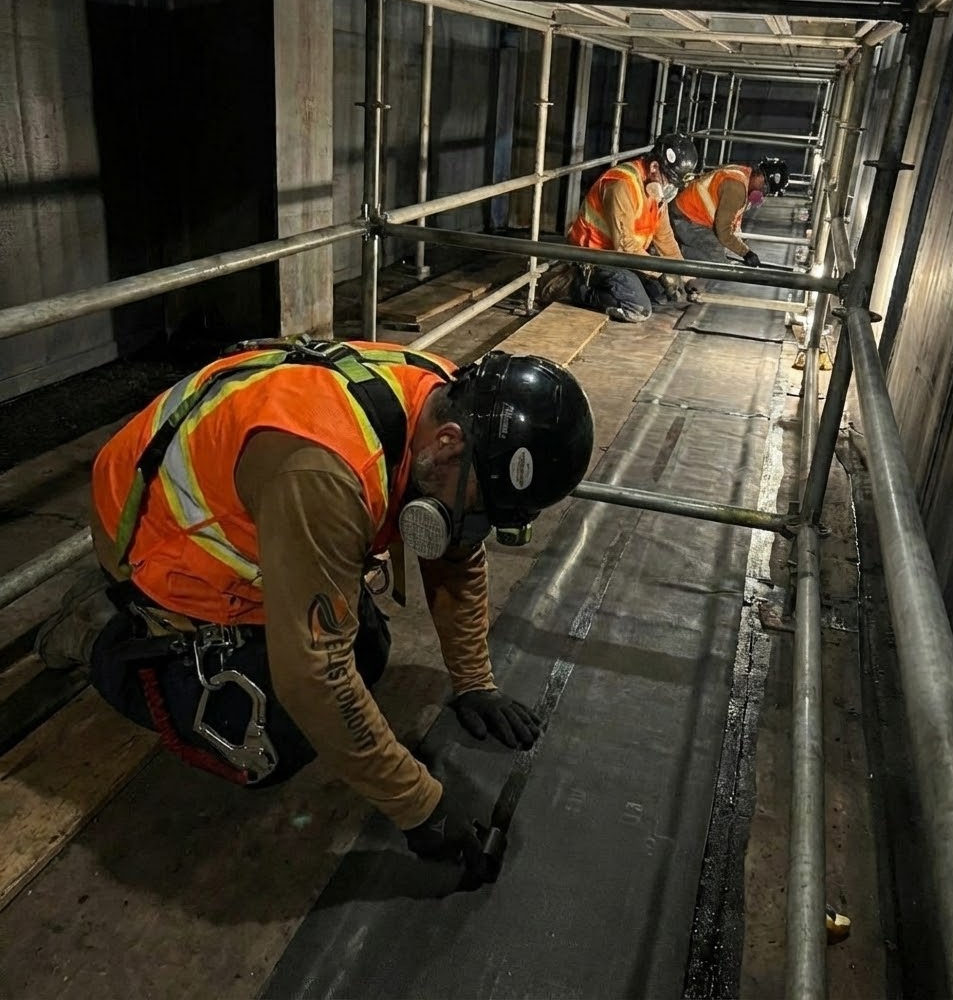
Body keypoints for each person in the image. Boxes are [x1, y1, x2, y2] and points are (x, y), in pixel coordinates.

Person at [37, 338, 595, 875]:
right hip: (156, 539)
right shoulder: (324, 470)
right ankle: (98, 631)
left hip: (251, 509)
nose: (469, 526)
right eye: (478, 506)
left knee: (368, 651)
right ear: (447, 444)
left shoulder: (446, 398)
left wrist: (474, 681)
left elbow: (456, 554)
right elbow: (316, 678)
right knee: (266, 739)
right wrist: (421, 807)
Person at [541, 132, 699, 323]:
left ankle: (612, 286)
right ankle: (574, 286)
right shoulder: (622, 184)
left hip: (621, 257)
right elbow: (624, 246)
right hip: (595, 256)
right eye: (670, 181)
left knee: (661, 295)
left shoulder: (656, 191)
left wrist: (686, 276)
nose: (671, 188)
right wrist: (661, 273)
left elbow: (665, 238)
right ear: (654, 167)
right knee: (638, 309)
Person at [667, 156, 790, 299]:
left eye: (766, 191)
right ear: (759, 174)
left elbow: (732, 221)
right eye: (764, 187)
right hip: (684, 218)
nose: (762, 192)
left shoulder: (744, 174)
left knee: (723, 251)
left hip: (693, 216)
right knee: (719, 264)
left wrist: (739, 245)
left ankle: (682, 264)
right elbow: (723, 231)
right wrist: (746, 253)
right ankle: (672, 255)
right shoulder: (736, 188)